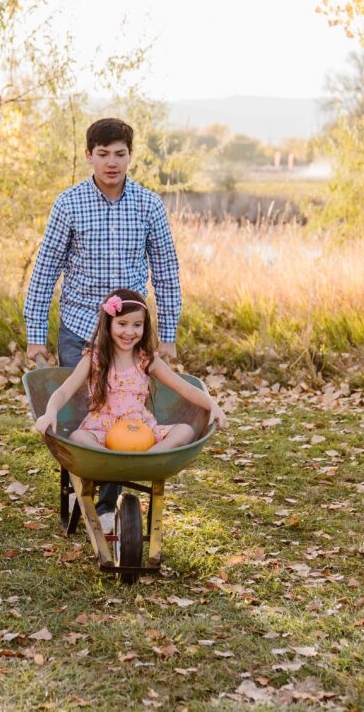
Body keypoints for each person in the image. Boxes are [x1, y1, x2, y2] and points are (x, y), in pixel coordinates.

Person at [24, 117, 183, 526]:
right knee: (82, 416)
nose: (112, 162)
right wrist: (35, 335)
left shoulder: (148, 205)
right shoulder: (69, 204)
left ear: (130, 156)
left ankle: (107, 505)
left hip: (129, 333)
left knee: (123, 413)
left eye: (120, 154)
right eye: (103, 154)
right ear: (88, 155)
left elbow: (165, 271)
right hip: (80, 326)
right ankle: (86, 485)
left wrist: (168, 335)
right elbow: (46, 270)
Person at [34, 290, 228, 531]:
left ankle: (151, 456)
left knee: (186, 430)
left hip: (140, 430)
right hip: (102, 429)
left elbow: (185, 389)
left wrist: (213, 406)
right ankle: (100, 469)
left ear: (145, 327)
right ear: (109, 323)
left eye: (137, 325)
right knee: (77, 437)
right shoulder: (94, 358)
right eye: (122, 324)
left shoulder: (147, 359)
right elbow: (64, 391)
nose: (130, 331)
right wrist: (50, 411)